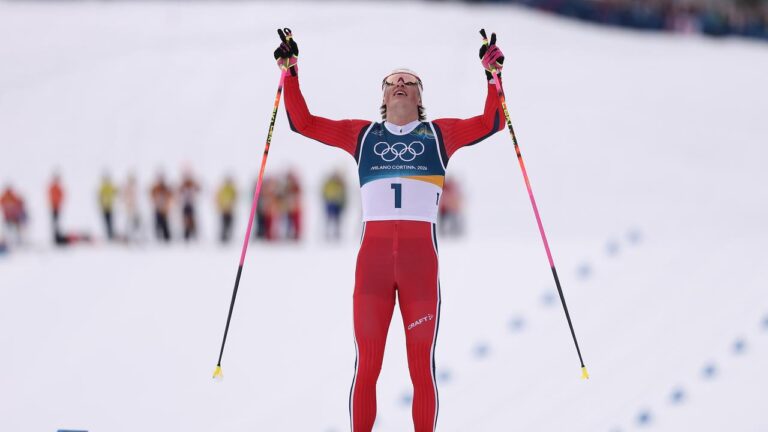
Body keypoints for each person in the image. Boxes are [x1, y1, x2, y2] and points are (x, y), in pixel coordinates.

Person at [274, 28, 505, 431]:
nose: (399, 84)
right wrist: (290, 72)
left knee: (422, 369)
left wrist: (493, 77)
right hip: (373, 269)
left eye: (408, 81)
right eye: (391, 82)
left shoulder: (439, 135)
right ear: (382, 98)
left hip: (420, 268)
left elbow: (493, 122)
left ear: (419, 97)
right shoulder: (362, 135)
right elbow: (302, 122)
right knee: (367, 365)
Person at [321, 170, 347, 241]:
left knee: (337, 219)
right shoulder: (329, 183)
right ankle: (327, 233)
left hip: (337, 204)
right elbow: (324, 192)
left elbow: (343, 194)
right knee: (329, 219)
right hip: (330, 203)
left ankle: (336, 233)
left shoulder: (340, 183)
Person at [178, 170, 201, 242]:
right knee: (186, 221)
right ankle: (186, 236)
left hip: (191, 205)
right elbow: (178, 193)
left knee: (192, 220)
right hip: (185, 206)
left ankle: (194, 235)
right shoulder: (182, 186)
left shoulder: (192, 185)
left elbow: (198, 189)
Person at [150, 174, 173, 242]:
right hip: (158, 209)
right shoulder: (156, 188)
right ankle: (157, 238)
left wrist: (167, 207)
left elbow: (170, 198)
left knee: (165, 225)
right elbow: (152, 196)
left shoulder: (166, 188)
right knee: (157, 225)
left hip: (164, 210)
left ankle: (167, 239)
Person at [216, 176, 238, 243]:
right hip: (224, 210)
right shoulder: (223, 189)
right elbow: (219, 198)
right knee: (224, 224)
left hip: (230, 210)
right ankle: (223, 236)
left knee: (229, 224)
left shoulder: (232, 189)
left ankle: (227, 236)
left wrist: (232, 205)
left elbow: (235, 197)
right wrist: (221, 206)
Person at [98, 173, 119, 241]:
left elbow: (116, 192)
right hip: (105, 207)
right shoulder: (103, 187)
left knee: (111, 221)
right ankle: (108, 235)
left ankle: (111, 234)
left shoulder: (110, 186)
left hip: (110, 207)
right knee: (106, 222)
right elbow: (100, 197)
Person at [49, 173, 64, 243]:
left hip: (57, 207)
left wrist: (59, 203)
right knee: (55, 222)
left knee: (56, 222)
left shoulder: (57, 187)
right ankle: (55, 237)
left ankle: (57, 237)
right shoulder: (53, 187)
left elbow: (61, 196)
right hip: (54, 207)